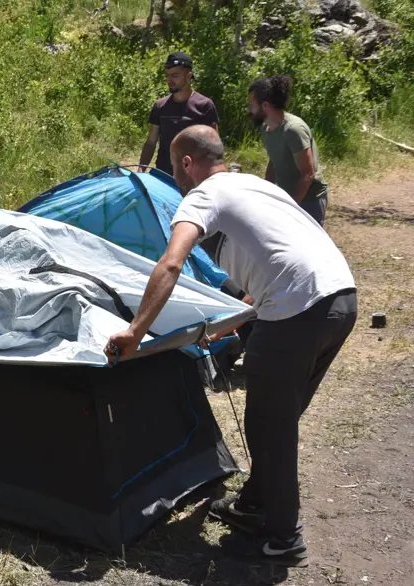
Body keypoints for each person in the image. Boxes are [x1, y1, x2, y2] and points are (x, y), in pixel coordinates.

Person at [105, 125, 356, 567]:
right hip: (340, 298)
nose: (174, 175)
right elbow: (278, 258)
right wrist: (232, 319)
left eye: (174, 165)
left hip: (297, 310)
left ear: (186, 163)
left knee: (268, 426)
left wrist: (136, 331)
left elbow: (172, 263)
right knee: (276, 418)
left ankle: (284, 538)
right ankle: (254, 505)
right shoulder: (255, 185)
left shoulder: (203, 196)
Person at [249, 75, 329, 225]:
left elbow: (308, 174)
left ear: (265, 105)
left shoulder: (293, 130)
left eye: (251, 105)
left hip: (309, 201)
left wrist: (291, 207)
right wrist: (266, 192)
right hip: (286, 198)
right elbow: (274, 160)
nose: (249, 109)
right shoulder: (266, 129)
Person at [139, 52, 219, 177]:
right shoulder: (160, 106)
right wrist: (141, 170)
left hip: (193, 178)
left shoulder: (205, 105)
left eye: (175, 75)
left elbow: (213, 146)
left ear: (188, 76)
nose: (169, 80)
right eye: (167, 75)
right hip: (163, 175)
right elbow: (151, 142)